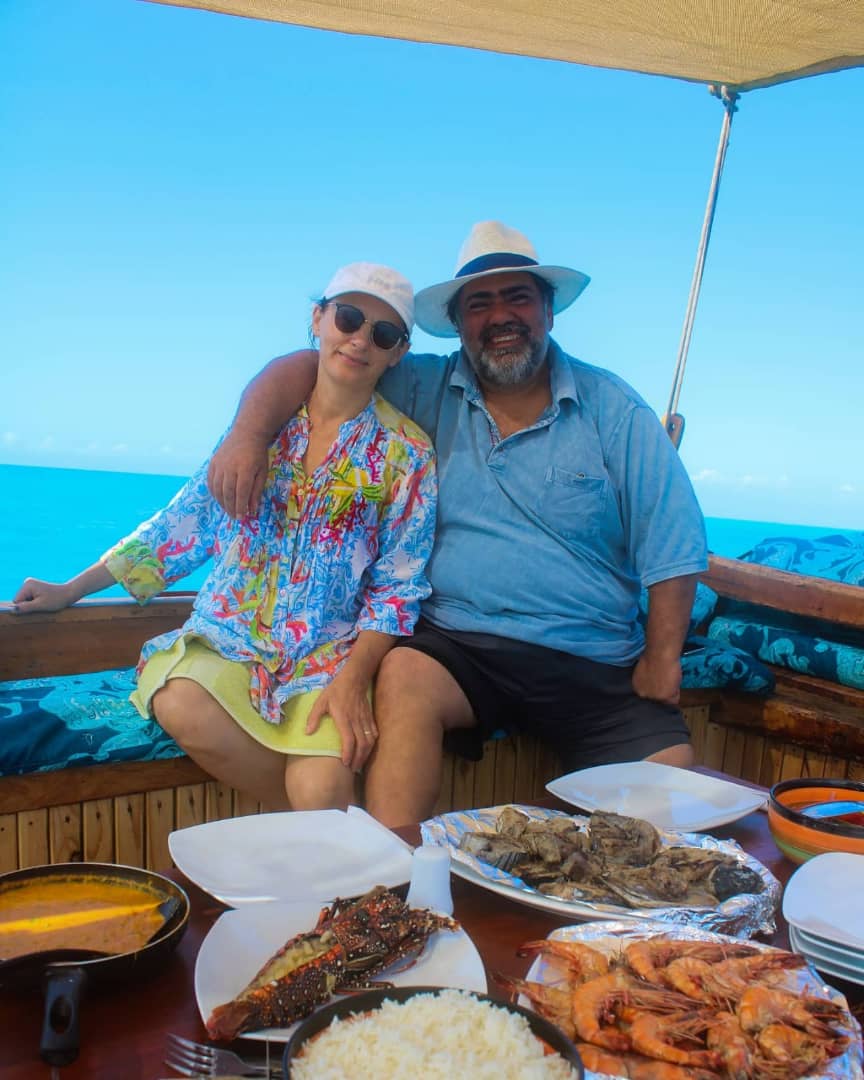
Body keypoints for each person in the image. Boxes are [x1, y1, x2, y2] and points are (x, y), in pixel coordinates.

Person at [206, 222, 709, 826]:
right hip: (461, 647)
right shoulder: (422, 385)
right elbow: (315, 367)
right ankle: (392, 874)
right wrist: (248, 434)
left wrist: (663, 657)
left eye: (517, 297)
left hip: (594, 657)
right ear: (460, 322)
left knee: (674, 786)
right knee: (404, 674)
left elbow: (672, 538)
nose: (500, 316)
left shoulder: (614, 409)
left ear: (547, 311)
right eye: (480, 303)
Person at [12, 262, 437, 812]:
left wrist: (355, 680)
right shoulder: (259, 431)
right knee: (179, 700)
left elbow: (397, 588)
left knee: (322, 786)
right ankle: (328, 834)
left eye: (382, 333)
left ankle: (323, 833)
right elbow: (184, 522)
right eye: (349, 318)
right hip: (231, 639)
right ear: (318, 318)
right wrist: (72, 589)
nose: (359, 340)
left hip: (327, 657)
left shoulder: (408, 453)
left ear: (397, 352)